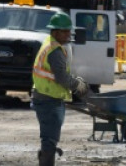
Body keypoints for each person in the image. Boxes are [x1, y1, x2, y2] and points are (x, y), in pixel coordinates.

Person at [32, 12, 89, 166]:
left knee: (49, 136)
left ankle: (45, 156)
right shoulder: (55, 51)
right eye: (65, 31)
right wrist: (77, 85)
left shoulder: (50, 43)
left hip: (45, 96)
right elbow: (62, 78)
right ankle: (46, 160)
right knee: (49, 137)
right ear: (55, 32)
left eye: (69, 31)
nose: (68, 34)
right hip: (48, 98)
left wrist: (75, 82)